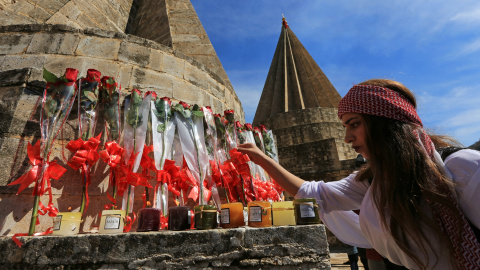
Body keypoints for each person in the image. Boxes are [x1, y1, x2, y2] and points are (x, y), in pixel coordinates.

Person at [238, 79, 480, 270]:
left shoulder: (462, 168)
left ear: (383, 122)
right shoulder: (375, 181)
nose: (347, 137)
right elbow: (314, 193)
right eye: (345, 127)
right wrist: (262, 158)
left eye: (354, 124)